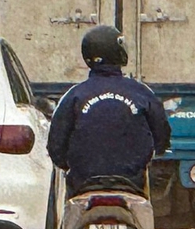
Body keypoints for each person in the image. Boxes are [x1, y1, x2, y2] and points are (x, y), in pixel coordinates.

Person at [47, 25, 171, 190]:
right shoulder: (141, 92)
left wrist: (73, 168)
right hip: (132, 185)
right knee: (143, 214)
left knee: (71, 214)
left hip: (83, 185)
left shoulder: (75, 95)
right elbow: (162, 135)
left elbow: (56, 145)